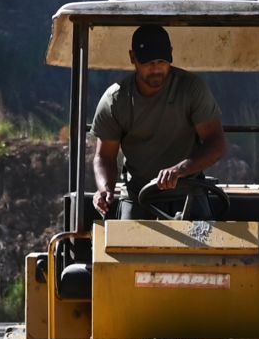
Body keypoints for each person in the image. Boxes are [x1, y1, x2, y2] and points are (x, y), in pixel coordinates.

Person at [90, 24, 226, 218]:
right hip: (138, 195)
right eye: (148, 62)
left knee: (206, 244)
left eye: (162, 61)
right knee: (122, 245)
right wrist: (105, 189)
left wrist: (180, 170)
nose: (156, 69)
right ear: (132, 57)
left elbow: (216, 144)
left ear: (171, 55)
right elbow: (104, 156)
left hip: (189, 192)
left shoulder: (191, 89)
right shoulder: (115, 100)